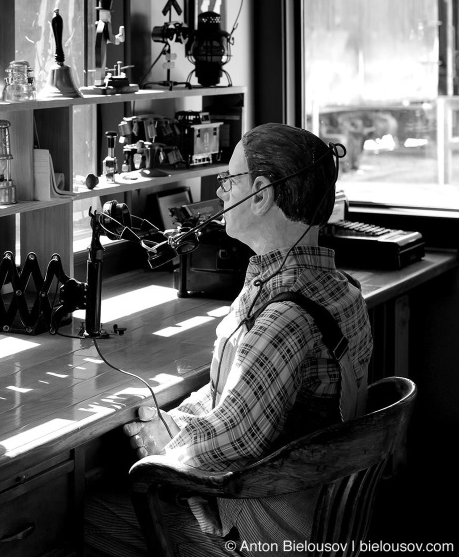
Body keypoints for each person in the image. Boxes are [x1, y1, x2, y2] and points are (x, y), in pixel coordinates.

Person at [84, 124, 373, 557]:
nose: (220, 193)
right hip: (322, 521)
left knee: (85, 514)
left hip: (266, 538)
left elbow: (232, 442)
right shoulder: (340, 290)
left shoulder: (284, 318)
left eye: (228, 181)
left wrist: (165, 442)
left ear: (260, 194)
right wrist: (174, 421)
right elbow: (236, 394)